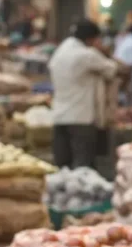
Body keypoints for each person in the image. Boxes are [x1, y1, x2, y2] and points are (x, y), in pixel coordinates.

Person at [48, 19, 119, 169]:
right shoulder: (87, 55)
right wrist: (104, 52)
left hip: (59, 116)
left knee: (63, 166)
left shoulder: (60, 52)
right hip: (81, 119)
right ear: (91, 39)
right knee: (82, 167)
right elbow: (112, 69)